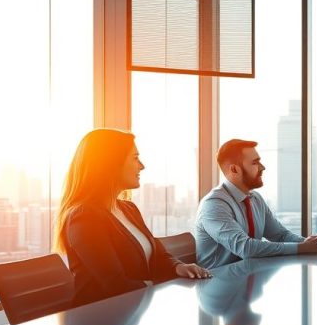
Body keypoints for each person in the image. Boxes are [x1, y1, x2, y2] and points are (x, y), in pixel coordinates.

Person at [54, 129, 211, 304]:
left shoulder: (128, 208)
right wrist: (165, 288)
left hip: (132, 312)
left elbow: (158, 254)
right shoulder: (84, 217)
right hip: (99, 320)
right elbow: (116, 284)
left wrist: (178, 267)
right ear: (111, 164)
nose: (142, 166)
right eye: (135, 158)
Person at [194, 139, 317, 269]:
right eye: (255, 163)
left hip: (248, 278)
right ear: (234, 170)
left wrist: (310, 243)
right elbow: (246, 248)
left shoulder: (255, 198)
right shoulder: (213, 205)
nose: (263, 167)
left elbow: (280, 235)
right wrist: (303, 248)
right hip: (217, 284)